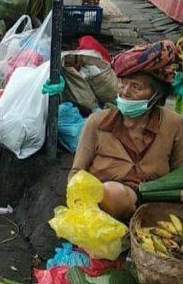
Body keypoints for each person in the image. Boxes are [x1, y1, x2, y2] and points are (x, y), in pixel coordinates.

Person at [71, 40, 183, 220]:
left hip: (153, 209)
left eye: (136, 87)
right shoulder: (97, 122)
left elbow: (179, 175)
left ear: (157, 94)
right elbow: (77, 173)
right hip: (101, 209)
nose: (124, 92)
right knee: (114, 193)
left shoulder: (174, 124)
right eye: (122, 83)